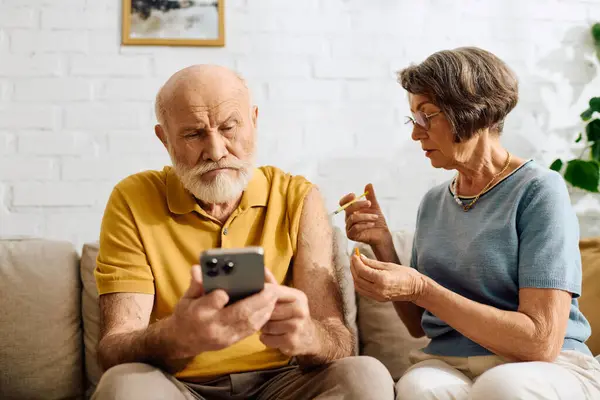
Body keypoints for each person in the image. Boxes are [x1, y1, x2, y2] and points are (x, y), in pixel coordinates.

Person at [92, 64, 394, 400]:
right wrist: (177, 337)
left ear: (253, 121)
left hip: (282, 383)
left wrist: (309, 336)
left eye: (229, 127)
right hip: (177, 386)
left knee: (366, 375)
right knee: (123, 386)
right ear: (164, 139)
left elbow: (339, 341)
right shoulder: (133, 198)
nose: (216, 151)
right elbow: (113, 349)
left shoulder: (298, 197)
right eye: (193, 134)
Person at [340, 47, 600, 400]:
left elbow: (540, 342)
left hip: (545, 365)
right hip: (451, 362)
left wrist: (421, 287)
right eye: (412, 118)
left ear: (471, 113)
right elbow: (419, 325)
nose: (416, 134)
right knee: (417, 387)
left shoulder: (539, 190)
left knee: (501, 386)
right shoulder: (433, 203)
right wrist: (383, 243)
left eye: (427, 116)